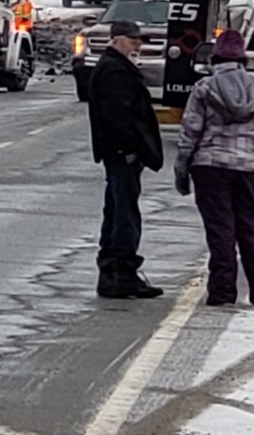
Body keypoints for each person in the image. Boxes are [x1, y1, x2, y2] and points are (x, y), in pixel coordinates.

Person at [174, 30, 254, 307]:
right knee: (251, 230)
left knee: (221, 230)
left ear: (215, 57)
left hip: (210, 166)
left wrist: (182, 169)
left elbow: (190, 132)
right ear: (243, 58)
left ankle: (222, 293)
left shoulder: (205, 88)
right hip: (249, 167)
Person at [88, 18, 166, 299]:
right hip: (122, 154)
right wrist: (128, 149)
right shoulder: (113, 71)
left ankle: (113, 273)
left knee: (117, 210)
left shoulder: (115, 67)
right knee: (124, 213)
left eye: (139, 39)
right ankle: (121, 272)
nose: (137, 44)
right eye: (132, 39)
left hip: (120, 153)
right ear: (116, 39)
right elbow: (117, 115)